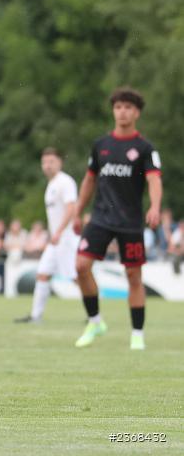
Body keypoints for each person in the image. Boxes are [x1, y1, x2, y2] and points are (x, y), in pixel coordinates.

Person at [73, 87, 162, 350]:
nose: (122, 111)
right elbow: (90, 179)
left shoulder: (145, 148)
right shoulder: (101, 145)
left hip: (131, 221)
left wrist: (155, 206)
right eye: (118, 107)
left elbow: (154, 179)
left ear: (136, 113)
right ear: (113, 111)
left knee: (133, 275)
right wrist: (78, 210)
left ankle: (137, 334)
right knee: (80, 266)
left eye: (127, 107)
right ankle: (95, 321)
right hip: (100, 217)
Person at [16, 148, 80, 324]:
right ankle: (36, 316)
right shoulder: (51, 185)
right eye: (44, 162)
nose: (47, 166)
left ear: (60, 162)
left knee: (76, 277)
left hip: (65, 238)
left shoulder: (65, 182)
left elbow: (71, 208)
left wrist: (59, 231)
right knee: (43, 274)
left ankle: (94, 315)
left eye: (51, 161)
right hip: (55, 240)